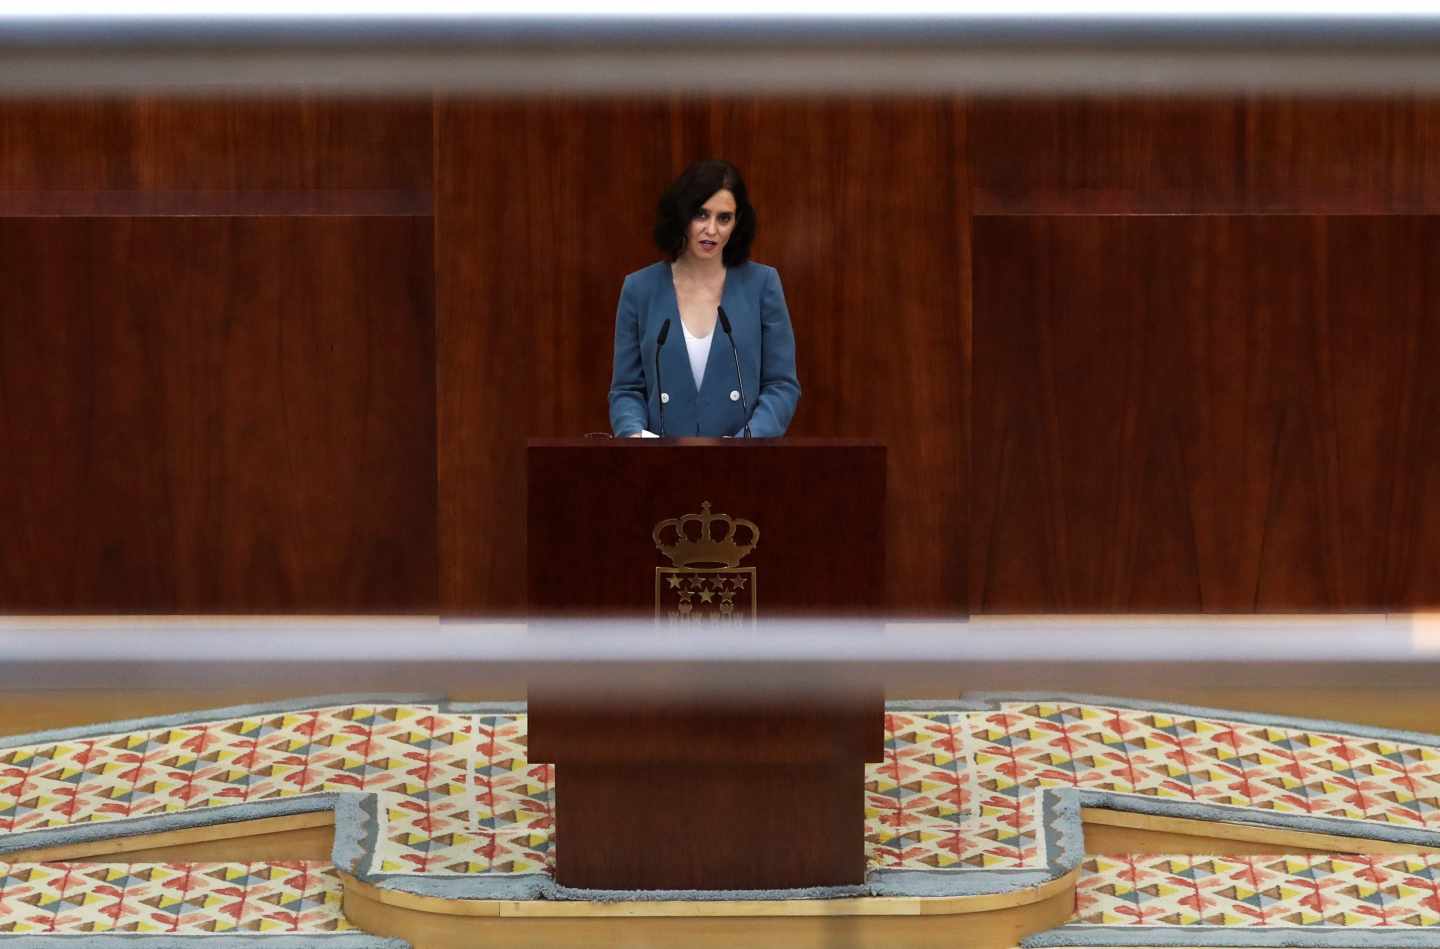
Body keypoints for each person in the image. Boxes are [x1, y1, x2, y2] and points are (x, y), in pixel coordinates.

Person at [608, 160, 800, 438]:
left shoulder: (762, 285)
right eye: (701, 214)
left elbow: (781, 385)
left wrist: (748, 440)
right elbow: (627, 390)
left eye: (724, 218)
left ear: (737, 223)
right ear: (681, 215)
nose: (711, 230)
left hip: (741, 464)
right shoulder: (639, 289)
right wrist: (634, 436)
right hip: (661, 466)